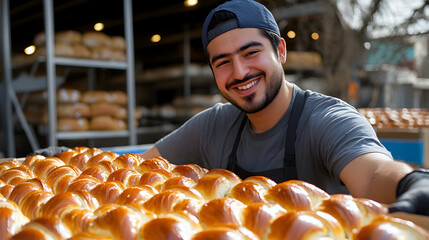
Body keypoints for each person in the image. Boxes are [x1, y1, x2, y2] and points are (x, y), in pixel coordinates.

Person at [139, 0, 429, 215]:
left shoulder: (325, 119)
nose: (239, 72)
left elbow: (373, 175)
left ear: (280, 51)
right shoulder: (213, 125)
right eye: (223, 62)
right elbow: (138, 170)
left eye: (251, 53)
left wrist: (411, 182)